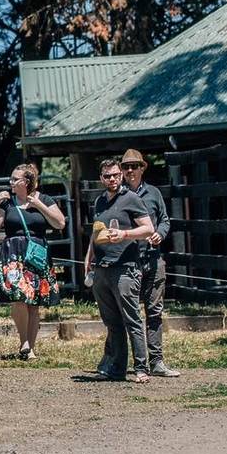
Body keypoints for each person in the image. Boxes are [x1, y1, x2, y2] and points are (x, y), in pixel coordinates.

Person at [84, 157, 156, 383]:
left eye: (116, 175)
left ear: (121, 175)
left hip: (125, 268)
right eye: (107, 176)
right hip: (102, 268)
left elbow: (148, 228)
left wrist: (125, 234)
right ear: (101, 178)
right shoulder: (99, 202)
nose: (112, 179)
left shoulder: (131, 199)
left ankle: (142, 368)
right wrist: (89, 257)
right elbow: (96, 233)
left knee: (132, 319)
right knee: (112, 322)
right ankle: (116, 368)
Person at [0, 163, 65, 359]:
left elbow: (59, 222)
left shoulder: (45, 199)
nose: (11, 182)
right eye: (11, 179)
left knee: (34, 301)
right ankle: (24, 341)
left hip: (36, 254)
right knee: (18, 296)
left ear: (27, 181)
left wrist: (39, 205)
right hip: (13, 255)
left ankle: (30, 348)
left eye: (15, 179)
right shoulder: (8, 202)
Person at [120, 149, 179, 377]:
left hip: (153, 258)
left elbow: (164, 220)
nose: (130, 171)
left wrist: (160, 234)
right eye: (126, 167)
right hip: (128, 260)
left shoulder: (153, 193)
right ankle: (138, 362)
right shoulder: (119, 196)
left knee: (154, 311)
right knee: (131, 313)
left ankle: (157, 361)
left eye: (135, 166)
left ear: (143, 167)